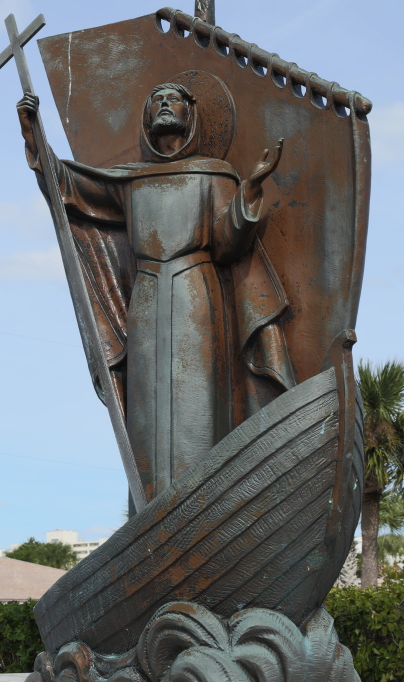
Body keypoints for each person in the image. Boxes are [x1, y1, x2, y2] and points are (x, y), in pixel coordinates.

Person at [17, 83, 296, 503]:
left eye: (175, 99)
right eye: (157, 100)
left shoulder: (213, 173)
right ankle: (149, 508)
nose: (166, 104)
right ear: (147, 118)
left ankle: (203, 504)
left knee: (200, 402)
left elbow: (226, 244)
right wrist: (34, 136)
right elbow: (69, 188)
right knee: (146, 404)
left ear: (191, 113)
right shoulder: (130, 180)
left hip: (195, 294)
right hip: (145, 298)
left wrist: (251, 188)